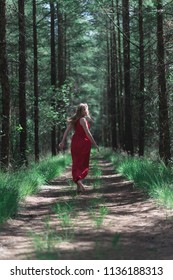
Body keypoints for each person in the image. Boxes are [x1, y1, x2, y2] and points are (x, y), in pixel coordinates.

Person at [59, 103, 99, 194]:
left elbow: (66, 131)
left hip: (75, 143)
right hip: (84, 144)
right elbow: (88, 133)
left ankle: (78, 188)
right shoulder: (83, 120)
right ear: (82, 111)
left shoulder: (74, 120)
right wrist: (95, 144)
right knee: (83, 163)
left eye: (86, 109)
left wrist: (62, 141)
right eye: (85, 109)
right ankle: (79, 181)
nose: (87, 111)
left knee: (76, 163)